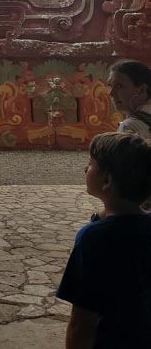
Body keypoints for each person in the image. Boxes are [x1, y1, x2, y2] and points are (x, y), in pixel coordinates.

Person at [56, 132, 151, 348]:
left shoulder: (93, 238)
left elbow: (81, 324)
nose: (85, 169)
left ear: (106, 180)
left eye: (90, 165)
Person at [108, 60, 151, 139]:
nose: (111, 93)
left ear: (142, 90)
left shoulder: (129, 127)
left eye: (119, 86)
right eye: (110, 86)